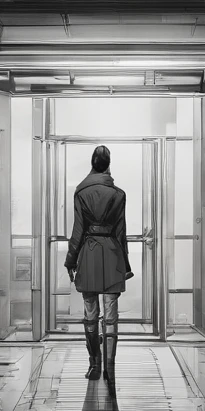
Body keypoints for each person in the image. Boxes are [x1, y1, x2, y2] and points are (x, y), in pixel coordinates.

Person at [64, 145, 134, 392]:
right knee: (112, 316)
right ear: (109, 165)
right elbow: (121, 232)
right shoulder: (119, 194)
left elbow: (78, 231)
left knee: (91, 312)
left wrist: (71, 260)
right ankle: (110, 367)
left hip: (89, 255)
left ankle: (94, 364)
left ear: (92, 164)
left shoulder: (81, 192)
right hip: (113, 255)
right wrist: (125, 265)